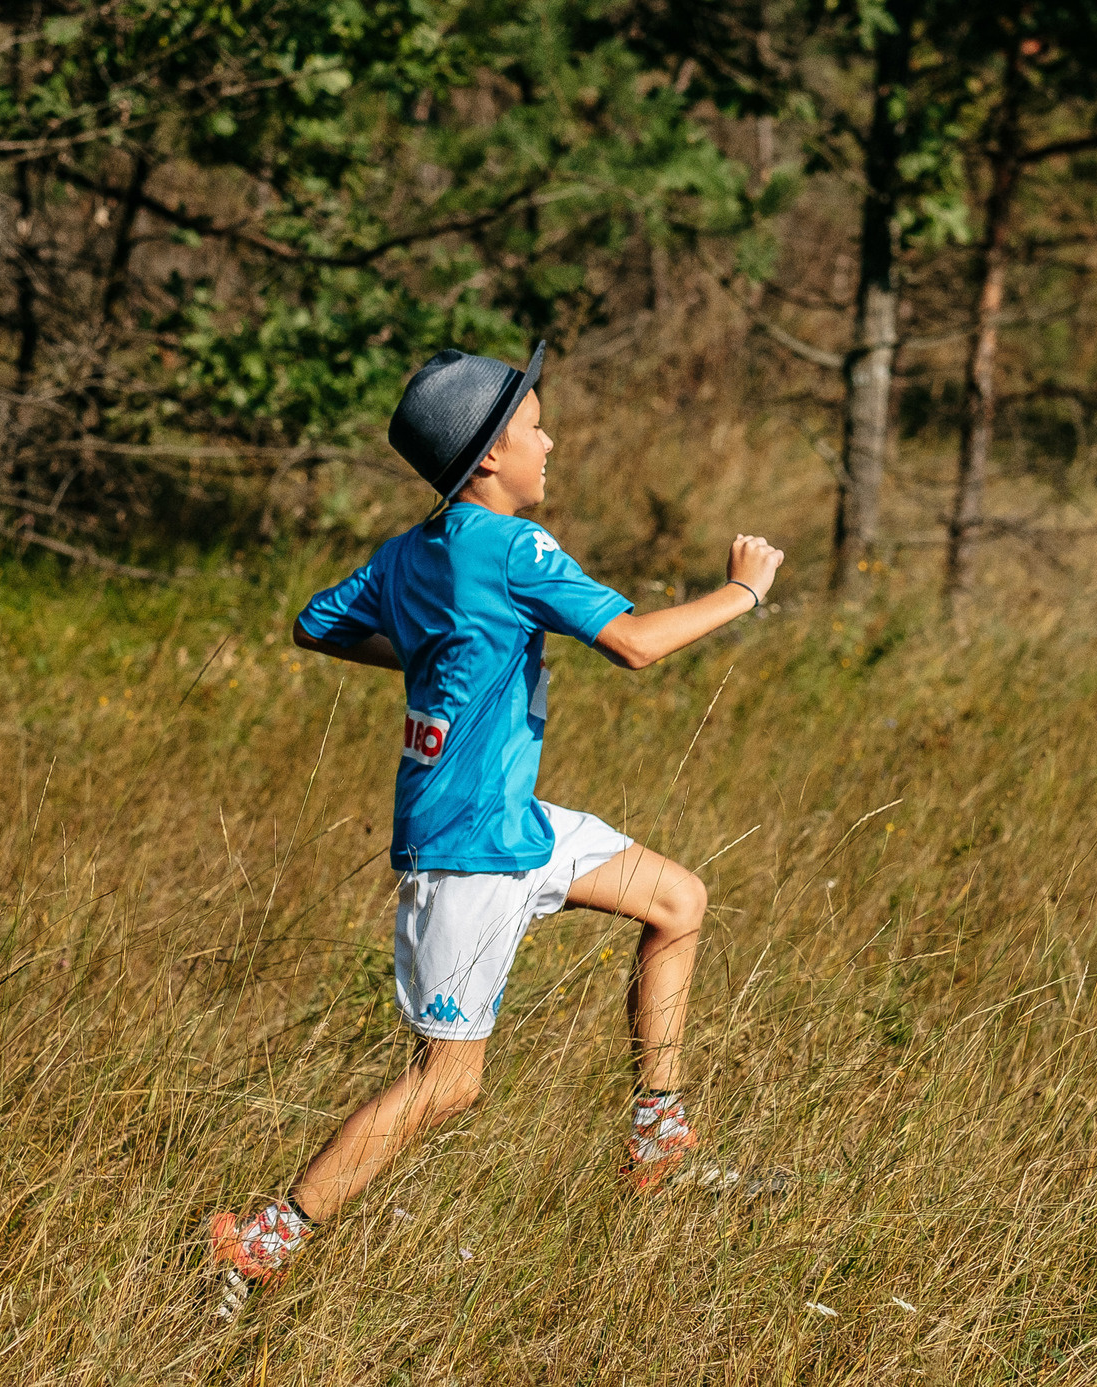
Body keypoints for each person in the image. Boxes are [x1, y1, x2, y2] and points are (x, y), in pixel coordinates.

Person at [205, 342, 785, 1313]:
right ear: (486, 459)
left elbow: (315, 623)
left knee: (678, 899)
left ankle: (658, 1141)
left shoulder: (408, 554)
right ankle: (257, 1245)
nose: (549, 443)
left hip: (516, 827)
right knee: (447, 1083)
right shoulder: (516, 548)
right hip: (465, 854)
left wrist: (437, 653)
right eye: (535, 430)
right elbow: (634, 644)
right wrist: (743, 592)